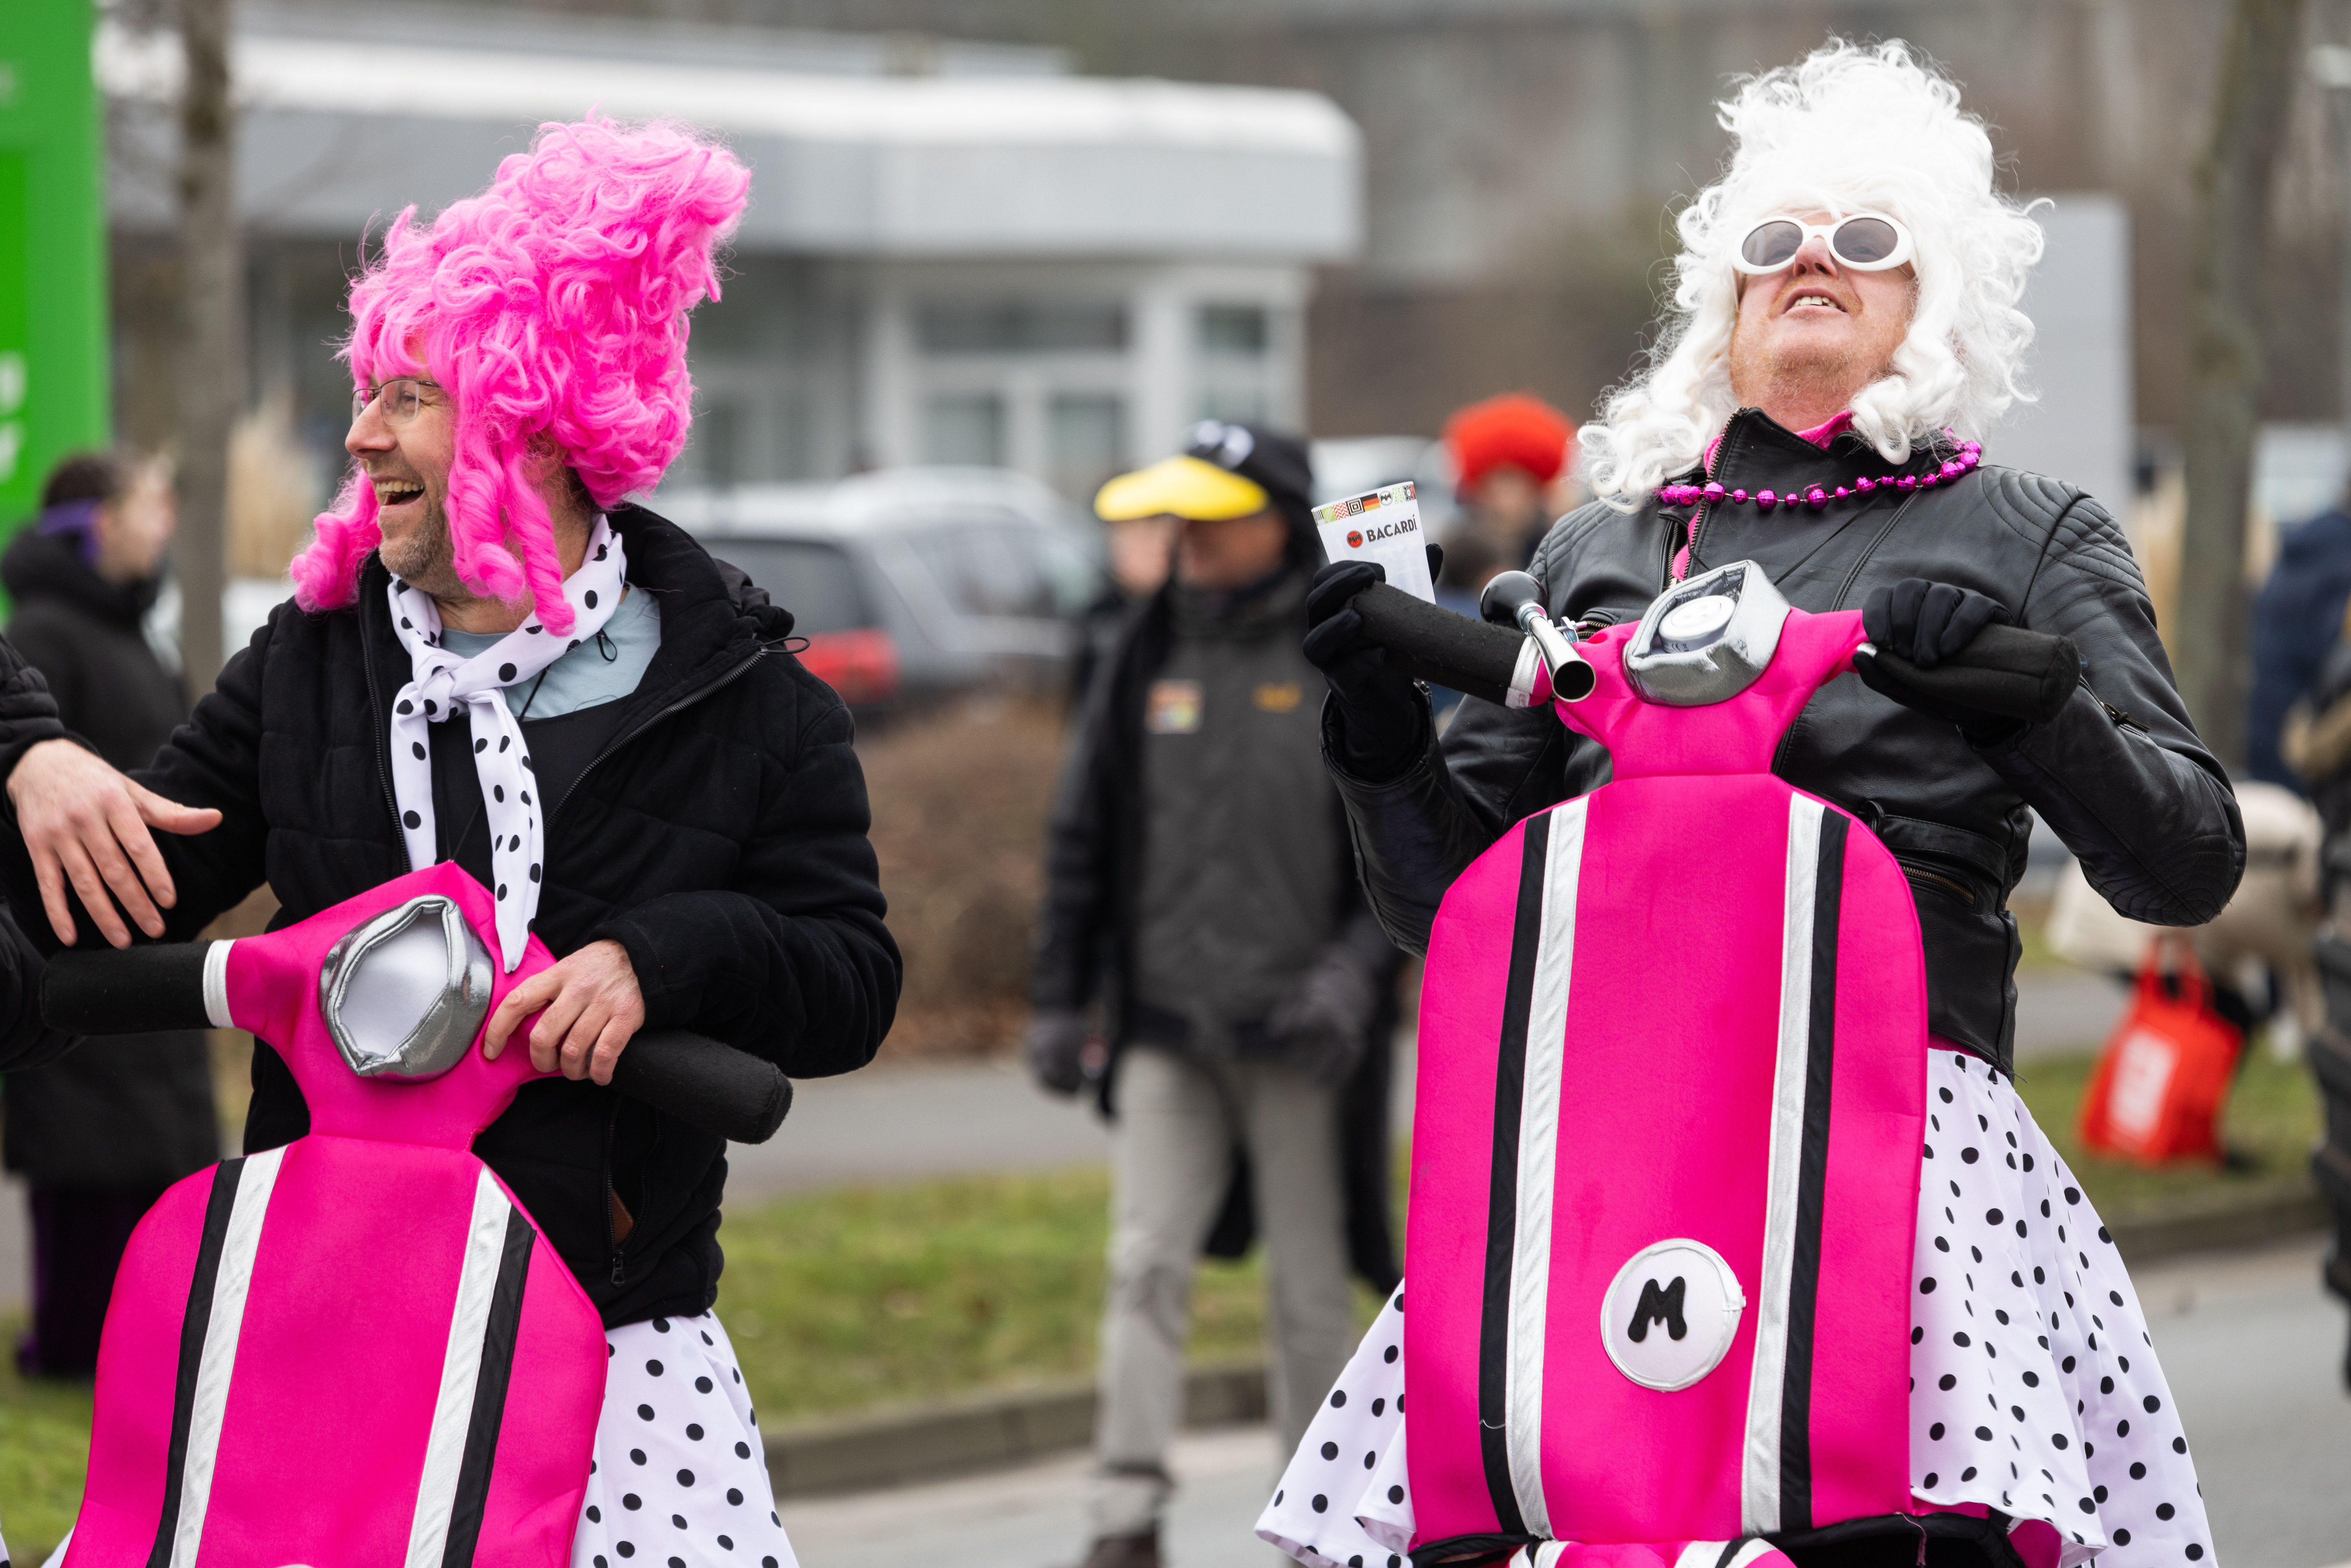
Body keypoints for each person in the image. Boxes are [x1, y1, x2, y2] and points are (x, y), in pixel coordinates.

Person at [1278, 40, 2243, 1567]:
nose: (1810, 259)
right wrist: (1381, 732)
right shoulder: (1596, 547)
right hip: (1606, 1139)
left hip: (1892, 1134)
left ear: (1932, 299)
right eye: (1772, 238)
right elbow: (1445, 909)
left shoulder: (2028, 533)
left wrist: (2035, 707)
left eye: (1863, 238)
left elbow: (2183, 863)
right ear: (1723, 304)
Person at [0, 118, 898, 1567]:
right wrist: (29, 763)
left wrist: (658, 958)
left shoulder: (747, 697)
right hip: (331, 1317)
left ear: (534, 423)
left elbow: (850, 980)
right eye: (367, 391)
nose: (361, 434)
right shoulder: (312, 658)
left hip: (610, 1340)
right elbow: (116, 902)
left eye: (407, 396)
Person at [1028, 420, 1401, 1568]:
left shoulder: (1343, 649)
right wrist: (1061, 996)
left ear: (1276, 523)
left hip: (1300, 1038)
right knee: (1143, 1264)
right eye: (1175, 517)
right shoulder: (1143, 647)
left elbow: (1404, 840)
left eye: (1210, 517)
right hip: (1164, 1030)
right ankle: (1123, 1513)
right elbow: (1083, 829)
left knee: (1308, 1287)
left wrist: (1351, 975)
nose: (1184, 537)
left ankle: (1315, 1527)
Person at [0, 451, 216, 1379]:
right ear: (100, 523)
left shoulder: (136, 633)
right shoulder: (45, 632)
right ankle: (70, 1344)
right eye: (148, 505)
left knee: (153, 1163)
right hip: (71, 941)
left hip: (147, 938)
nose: (164, 523)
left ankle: (139, 1342)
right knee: (84, 1165)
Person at [2247, 498, 2351, 794]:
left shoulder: (2301, 548)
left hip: (2263, 727)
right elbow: (2332, 655)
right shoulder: (2341, 563)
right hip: (2302, 740)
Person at [1439, 392, 1575, 575]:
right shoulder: (1456, 552)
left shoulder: (1560, 546)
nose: (1508, 503)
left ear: (1536, 490)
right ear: (1482, 490)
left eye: (1518, 486)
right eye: (1499, 487)